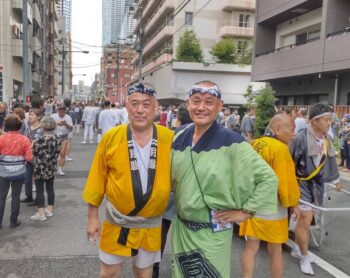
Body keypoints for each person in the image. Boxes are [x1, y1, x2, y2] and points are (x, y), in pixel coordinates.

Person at [171, 80, 278, 277]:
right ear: (188, 104)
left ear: (220, 106)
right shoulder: (178, 136)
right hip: (182, 230)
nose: (201, 107)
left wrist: (245, 211)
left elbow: (268, 178)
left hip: (212, 231)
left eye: (209, 102)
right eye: (196, 101)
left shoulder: (232, 142)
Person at [82, 83, 173, 278]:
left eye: (146, 104)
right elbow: (97, 178)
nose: (140, 110)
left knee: (144, 273)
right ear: (126, 106)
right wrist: (92, 218)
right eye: (134, 104)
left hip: (151, 224)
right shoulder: (112, 137)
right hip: (117, 221)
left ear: (155, 107)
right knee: (109, 272)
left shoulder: (169, 138)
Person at [240, 114, 301, 278]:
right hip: (273, 207)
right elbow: (285, 181)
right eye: (291, 128)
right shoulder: (280, 149)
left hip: (251, 204)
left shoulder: (254, 144)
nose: (293, 133)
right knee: (275, 249)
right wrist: (293, 203)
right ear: (278, 128)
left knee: (251, 248)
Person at [290, 103, 343, 275]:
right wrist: (289, 186)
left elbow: (330, 160)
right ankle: (305, 257)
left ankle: (297, 248)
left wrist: (336, 180)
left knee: (306, 220)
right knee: (306, 219)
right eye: (326, 120)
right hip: (301, 182)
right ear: (314, 121)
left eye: (330, 120)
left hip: (317, 185)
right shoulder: (301, 137)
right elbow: (289, 161)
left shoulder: (326, 138)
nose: (330, 123)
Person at [152, 103, 192, 278]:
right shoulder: (202, 135)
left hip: (169, 187)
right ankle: (185, 269)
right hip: (192, 191)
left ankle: (154, 269)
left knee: (162, 230)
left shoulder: (170, 135)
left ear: (178, 119)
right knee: (189, 233)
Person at [0, 115, 32, 228]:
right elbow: (29, 158)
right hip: (19, 172)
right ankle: (13, 221)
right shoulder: (24, 139)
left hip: (3, 171)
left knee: (1, 197)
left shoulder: (1, 138)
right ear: (19, 126)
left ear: (6, 125)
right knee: (16, 196)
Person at [30, 116, 61, 221]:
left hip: (40, 166)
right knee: (50, 187)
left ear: (43, 126)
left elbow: (33, 152)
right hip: (52, 165)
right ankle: (49, 209)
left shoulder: (40, 140)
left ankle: (41, 213)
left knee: (39, 189)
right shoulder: (57, 137)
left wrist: (33, 144)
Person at [21, 109, 43, 205]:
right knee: (27, 178)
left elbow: (39, 142)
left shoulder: (41, 128)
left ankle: (38, 199)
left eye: (32, 115)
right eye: (29, 115)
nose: (30, 117)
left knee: (38, 178)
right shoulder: (29, 127)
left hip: (38, 156)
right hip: (28, 156)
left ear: (38, 117)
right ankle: (29, 196)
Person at [51, 105, 73, 176]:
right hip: (54, 136)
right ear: (57, 111)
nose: (61, 113)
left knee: (63, 153)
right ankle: (54, 167)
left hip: (64, 137)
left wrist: (65, 124)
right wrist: (57, 124)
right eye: (60, 111)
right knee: (53, 154)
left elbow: (71, 128)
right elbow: (48, 126)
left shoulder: (68, 117)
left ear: (65, 111)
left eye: (63, 112)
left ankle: (60, 169)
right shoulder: (53, 116)